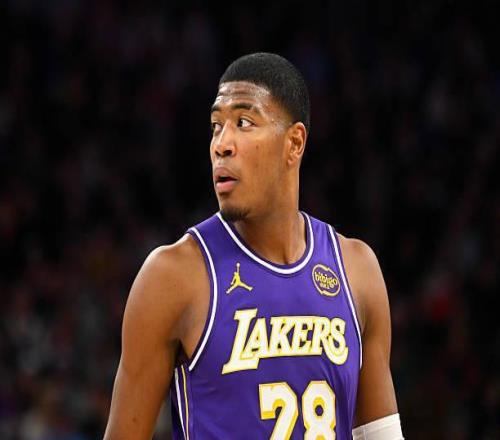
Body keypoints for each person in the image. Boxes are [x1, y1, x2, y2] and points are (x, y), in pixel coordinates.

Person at [104, 52, 404, 439]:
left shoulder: (357, 270)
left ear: (294, 143)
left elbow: (381, 435)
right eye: (216, 126)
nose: (221, 144)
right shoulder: (173, 276)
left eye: (244, 123)